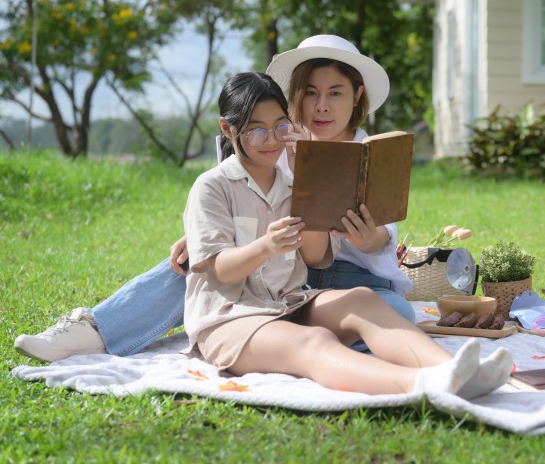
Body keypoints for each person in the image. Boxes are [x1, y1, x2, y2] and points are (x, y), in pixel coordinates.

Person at [13, 35, 415, 363]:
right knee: (196, 264)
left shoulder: (372, 152)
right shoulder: (275, 142)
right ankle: (97, 328)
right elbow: (230, 205)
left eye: (335, 93)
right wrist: (206, 235)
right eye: (311, 93)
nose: (321, 106)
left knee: (396, 313)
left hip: (352, 279)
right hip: (281, 272)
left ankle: (286, 339)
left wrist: (370, 239)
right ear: (296, 95)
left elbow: (384, 238)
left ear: (357, 95)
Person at [183, 70, 512, 397]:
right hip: (230, 319)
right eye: (257, 131)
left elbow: (314, 256)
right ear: (227, 128)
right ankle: (424, 385)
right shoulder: (212, 187)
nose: (271, 141)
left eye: (280, 127)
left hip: (287, 305)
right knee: (314, 341)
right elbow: (221, 270)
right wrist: (265, 246)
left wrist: (308, 178)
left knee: (362, 299)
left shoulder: (291, 185)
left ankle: (459, 371)